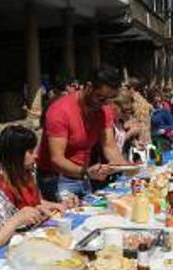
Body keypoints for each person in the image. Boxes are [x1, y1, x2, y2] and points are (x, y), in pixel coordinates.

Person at [37, 64, 132, 202]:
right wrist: (85, 172)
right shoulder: (60, 111)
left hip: (83, 175)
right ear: (89, 87)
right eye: (101, 98)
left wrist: (125, 167)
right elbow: (57, 159)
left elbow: (109, 146)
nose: (105, 104)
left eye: (108, 99)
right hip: (57, 177)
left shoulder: (103, 110)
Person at [0, 124, 65, 212]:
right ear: (16, 155)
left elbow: (37, 202)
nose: (36, 155)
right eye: (30, 152)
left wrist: (59, 205)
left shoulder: (26, 173)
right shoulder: (1, 185)